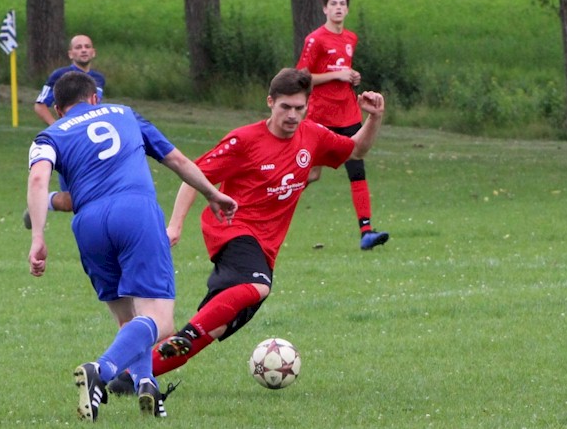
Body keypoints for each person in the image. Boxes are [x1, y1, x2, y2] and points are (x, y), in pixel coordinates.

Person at [106, 68, 385, 394]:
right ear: (270, 102)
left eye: (299, 107)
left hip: (265, 247)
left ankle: (127, 379)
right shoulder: (245, 140)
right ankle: (181, 337)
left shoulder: (313, 136)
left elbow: (355, 150)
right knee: (258, 286)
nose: (292, 115)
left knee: (214, 327)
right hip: (231, 228)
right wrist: (175, 224)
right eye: (285, 107)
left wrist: (374, 119)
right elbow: (193, 174)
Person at [26, 71, 237, 421]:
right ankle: (101, 371)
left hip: (89, 223)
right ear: (95, 98)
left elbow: (38, 179)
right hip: (134, 212)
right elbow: (177, 160)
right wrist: (212, 193)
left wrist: (38, 237)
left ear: (59, 109)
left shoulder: (51, 133)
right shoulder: (124, 113)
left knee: (128, 319)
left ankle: (146, 385)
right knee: (160, 320)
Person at [296, 0, 389, 251]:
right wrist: (336, 75)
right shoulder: (316, 39)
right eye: (333, 4)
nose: (338, 8)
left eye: (342, 4)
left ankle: (366, 232)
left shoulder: (350, 38)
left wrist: (352, 77)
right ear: (325, 9)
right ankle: (272, 205)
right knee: (311, 173)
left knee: (356, 165)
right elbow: (302, 76)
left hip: (348, 112)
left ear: (347, 9)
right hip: (320, 115)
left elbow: (342, 71)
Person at [24, 34, 106, 228]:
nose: (83, 50)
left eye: (87, 46)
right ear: (70, 54)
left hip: (93, 143)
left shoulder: (99, 79)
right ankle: (44, 201)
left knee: (101, 191)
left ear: (93, 52)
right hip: (70, 146)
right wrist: (60, 129)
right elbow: (40, 105)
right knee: (72, 201)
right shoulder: (60, 76)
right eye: (78, 47)